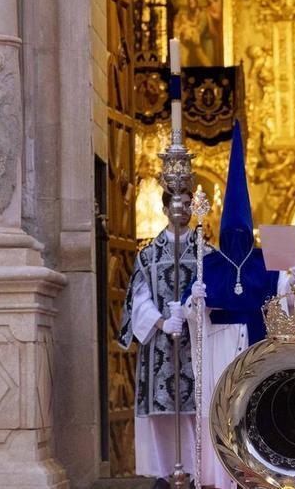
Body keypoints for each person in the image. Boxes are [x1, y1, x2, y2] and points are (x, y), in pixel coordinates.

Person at [179, 121, 283, 488]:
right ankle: (220, 475)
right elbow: (190, 312)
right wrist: (195, 303)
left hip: (256, 347)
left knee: (254, 411)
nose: (236, 235)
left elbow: (285, 300)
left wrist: (294, 276)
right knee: (222, 410)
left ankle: (258, 473)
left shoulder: (266, 260)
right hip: (220, 346)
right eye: (231, 230)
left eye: (242, 229)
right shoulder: (210, 262)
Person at [118, 189, 202, 489]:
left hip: (195, 345)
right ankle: (164, 473)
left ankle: (197, 472)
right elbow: (138, 299)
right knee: (163, 413)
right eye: (175, 203)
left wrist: (192, 310)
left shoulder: (206, 252)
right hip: (160, 346)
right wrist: (162, 322)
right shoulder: (148, 254)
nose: (182, 208)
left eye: (188, 203)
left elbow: (215, 294)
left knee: (197, 411)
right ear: (165, 209)